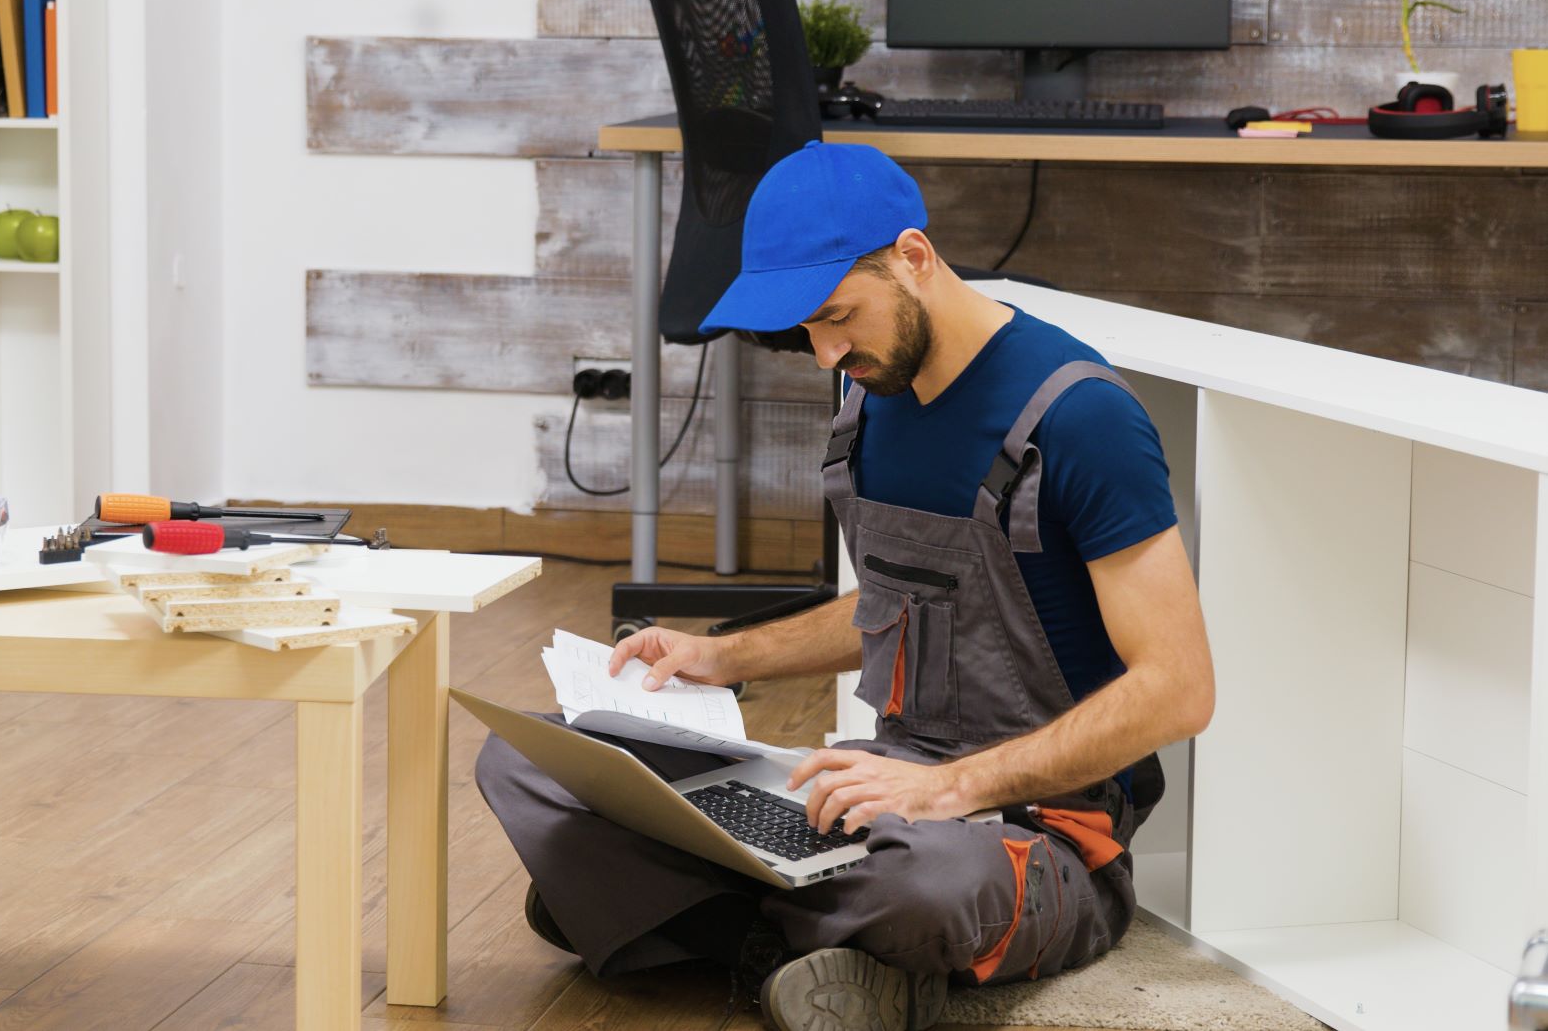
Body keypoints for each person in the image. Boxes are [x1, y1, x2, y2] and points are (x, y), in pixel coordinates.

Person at [474, 141, 1215, 1031]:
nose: (827, 353)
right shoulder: (872, 396)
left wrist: (949, 792)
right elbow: (894, 606)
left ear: (913, 257)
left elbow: (1180, 689)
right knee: (531, 757)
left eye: (838, 317)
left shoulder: (1082, 416)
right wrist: (722, 657)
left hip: (1029, 829)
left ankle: (684, 919)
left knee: (926, 886)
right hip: (876, 788)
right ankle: (815, 947)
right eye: (808, 332)